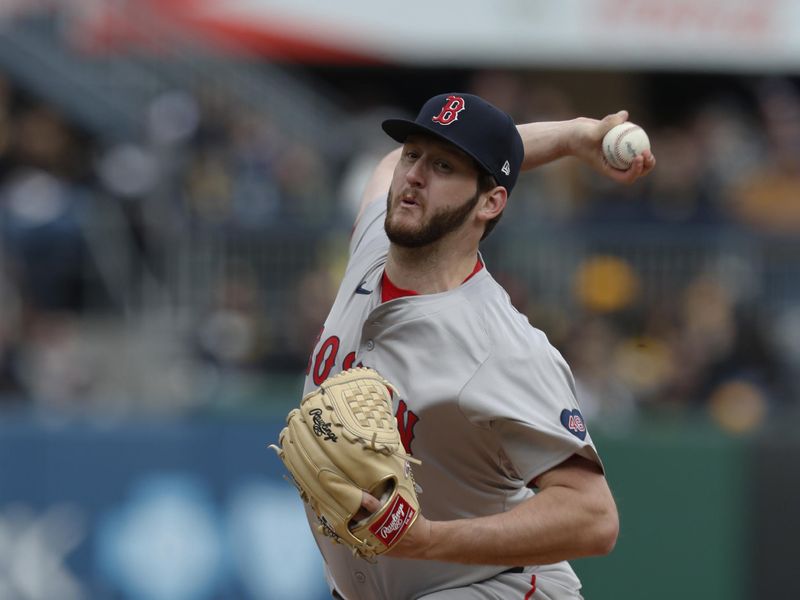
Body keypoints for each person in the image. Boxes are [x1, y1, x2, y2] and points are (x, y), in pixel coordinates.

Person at [302, 92, 656, 600]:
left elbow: (593, 516)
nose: (414, 175)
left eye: (443, 165)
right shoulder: (372, 247)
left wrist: (426, 540)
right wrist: (572, 136)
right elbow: (386, 164)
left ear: (490, 201)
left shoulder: (500, 345)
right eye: (413, 155)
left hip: (496, 588)